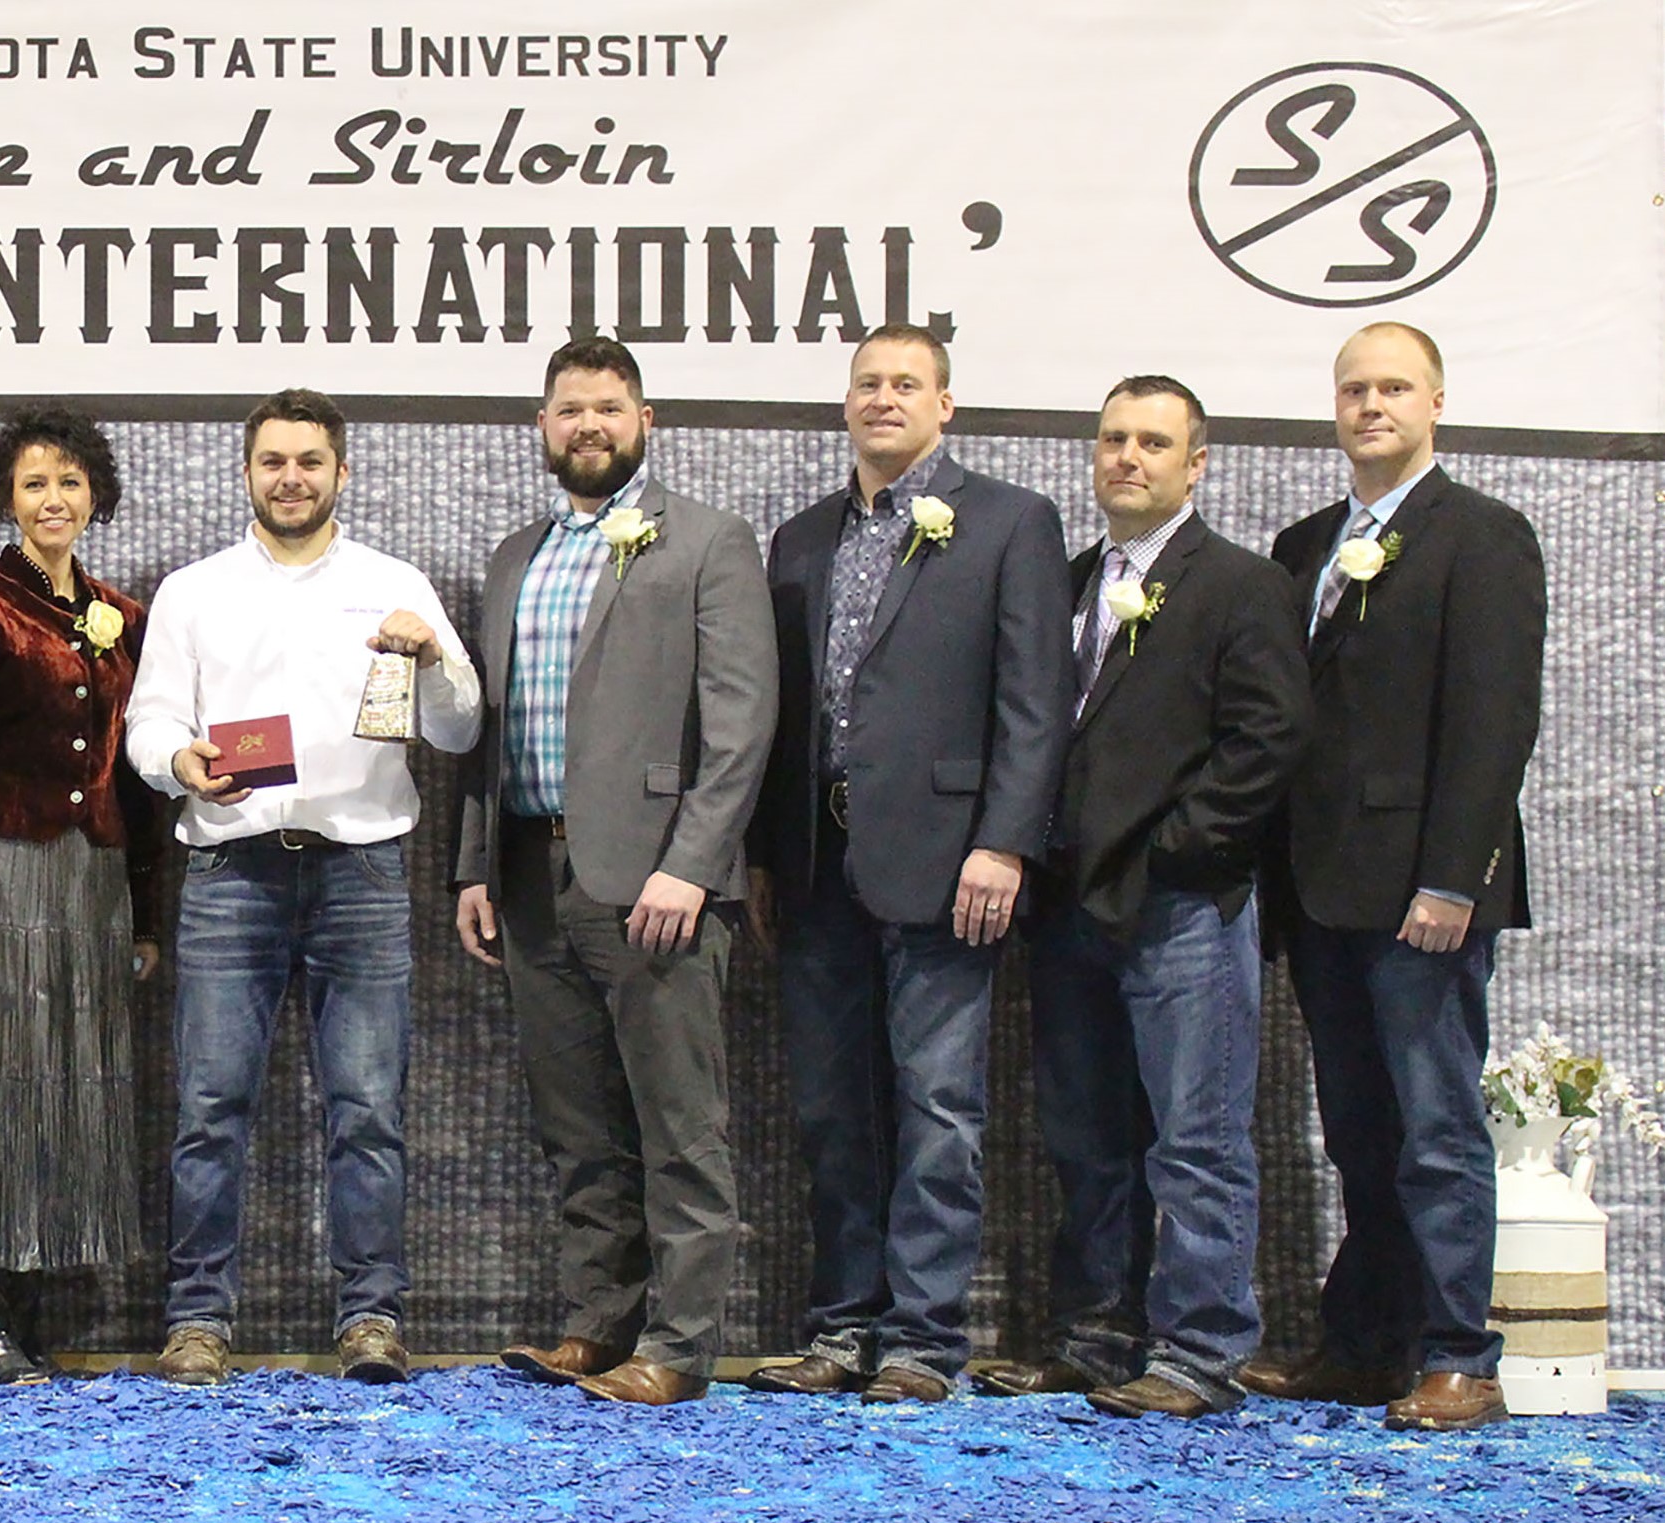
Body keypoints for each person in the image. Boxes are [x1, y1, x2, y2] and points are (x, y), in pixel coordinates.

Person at [743, 326, 1074, 1403]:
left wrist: (1005, 839)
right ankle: (842, 1325)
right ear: (845, 403)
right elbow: (775, 718)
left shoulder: (1011, 522)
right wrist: (760, 855)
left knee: (938, 1103)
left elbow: (1037, 703)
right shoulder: (798, 538)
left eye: (906, 384)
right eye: (867, 384)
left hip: (947, 858)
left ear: (946, 404)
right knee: (833, 1106)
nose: (884, 399)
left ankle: (926, 1338)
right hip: (815, 856)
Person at [124, 388, 481, 1387]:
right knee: (208, 1106)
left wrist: (436, 655)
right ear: (247, 472)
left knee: (367, 1106)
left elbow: (456, 727)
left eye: (310, 461)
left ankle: (372, 1317)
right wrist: (181, 762)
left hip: (361, 868)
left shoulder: (394, 585)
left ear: (342, 472)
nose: (292, 477)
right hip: (231, 870)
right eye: (274, 460)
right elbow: (148, 724)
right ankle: (198, 1318)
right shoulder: (195, 591)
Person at [452, 338, 778, 1407]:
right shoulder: (516, 555)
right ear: (542, 428)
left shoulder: (709, 543)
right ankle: (599, 1322)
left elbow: (741, 727)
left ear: (646, 420)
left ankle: (680, 1345)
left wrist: (694, 865)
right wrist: (474, 866)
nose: (587, 424)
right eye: (567, 409)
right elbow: (489, 731)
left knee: (679, 1125)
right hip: (532, 876)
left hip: (654, 885)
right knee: (581, 1126)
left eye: (607, 407)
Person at [976, 376, 1309, 1417]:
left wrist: (1173, 848)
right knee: (1087, 1138)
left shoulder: (1241, 584)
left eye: (1153, 442)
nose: (1128, 457)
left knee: (1196, 1137)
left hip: (1183, 907)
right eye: (1114, 439)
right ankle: (1098, 1336)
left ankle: (1201, 1351)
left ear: (1195, 464)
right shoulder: (1074, 580)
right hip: (1073, 903)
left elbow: (1271, 740)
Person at [1244, 324, 1547, 1433]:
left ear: (1436, 402)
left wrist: (1453, 878)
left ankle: (1460, 1352)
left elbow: (1492, 725)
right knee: (1359, 1130)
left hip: (1425, 891)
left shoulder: (1484, 536)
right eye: (1354, 388)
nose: (1372, 404)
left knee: (1436, 1124)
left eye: (1393, 387)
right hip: (1321, 886)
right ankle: (1367, 1343)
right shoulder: (1305, 540)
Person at [0, 407, 164, 1387]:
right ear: (4, 501)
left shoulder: (123, 616)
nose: (53, 498)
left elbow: (136, 782)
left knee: (71, 1089)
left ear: (93, 491)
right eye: (33, 484)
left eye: (67, 480)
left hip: (92, 877)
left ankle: (39, 1316)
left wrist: (144, 914)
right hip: (7, 873)